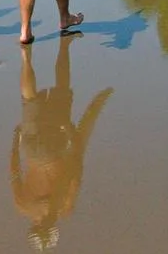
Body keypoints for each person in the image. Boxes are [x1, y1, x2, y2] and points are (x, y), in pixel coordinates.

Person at [11, 33, 113, 250]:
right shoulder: (23, 207)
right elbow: (13, 172)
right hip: (30, 150)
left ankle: (50, 53)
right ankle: (26, 60)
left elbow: (76, 171)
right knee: (29, 100)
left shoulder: (63, 208)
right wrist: (16, 140)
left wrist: (71, 133)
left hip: (54, 148)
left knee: (62, 90)